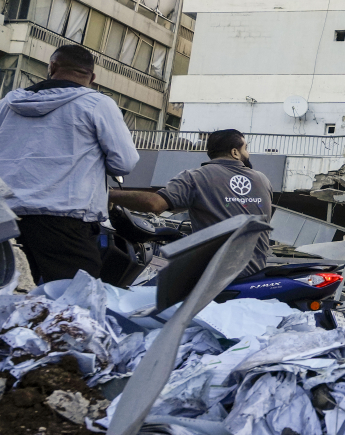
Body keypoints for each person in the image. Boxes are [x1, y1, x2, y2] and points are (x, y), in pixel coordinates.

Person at [0, 44, 139, 284]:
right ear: (92, 77)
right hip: (64, 219)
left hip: (6, 218)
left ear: (52, 67)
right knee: (74, 301)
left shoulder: (7, 104)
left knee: (11, 298)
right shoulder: (97, 104)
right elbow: (124, 163)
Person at [110, 129, 274, 276]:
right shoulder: (263, 180)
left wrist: (108, 194)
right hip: (256, 275)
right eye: (246, 148)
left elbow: (155, 204)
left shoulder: (196, 178)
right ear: (235, 152)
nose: (248, 153)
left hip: (213, 281)